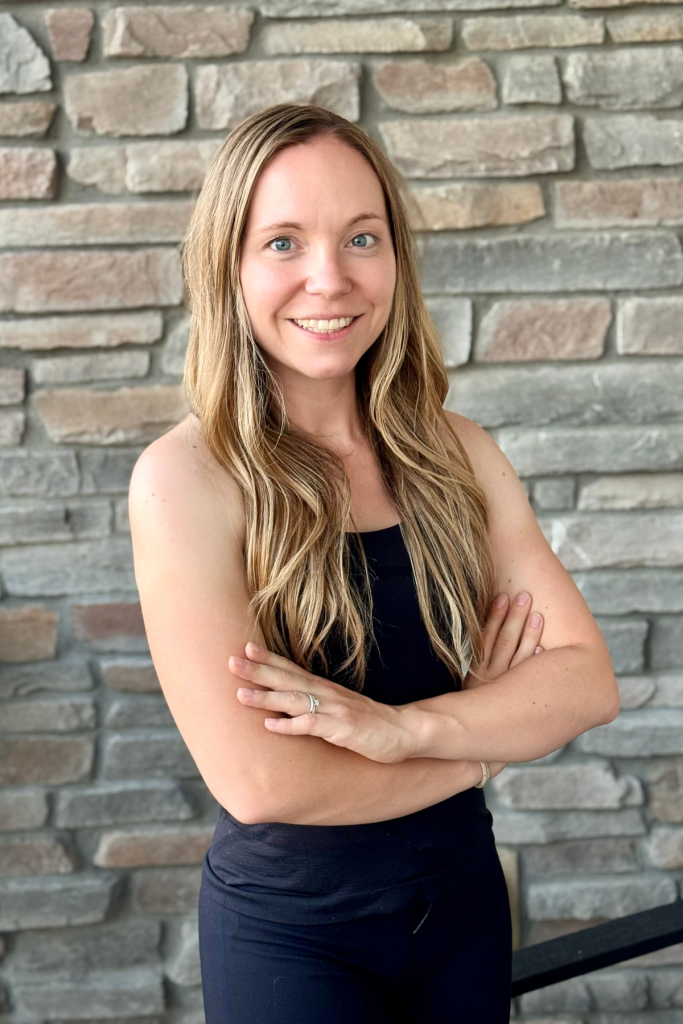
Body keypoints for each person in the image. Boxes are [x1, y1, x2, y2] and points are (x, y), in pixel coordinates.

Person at [128, 103, 619, 1024]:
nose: (329, 279)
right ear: (226, 264)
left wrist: (407, 731)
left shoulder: (456, 452)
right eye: (282, 242)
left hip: (462, 910)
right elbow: (266, 782)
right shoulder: (187, 481)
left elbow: (586, 682)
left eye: (362, 237)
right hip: (294, 937)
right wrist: (484, 742)